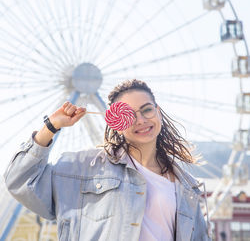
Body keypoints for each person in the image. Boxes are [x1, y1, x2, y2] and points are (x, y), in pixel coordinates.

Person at [4, 79, 212, 241]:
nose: (140, 120)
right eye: (128, 115)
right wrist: (51, 126)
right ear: (116, 123)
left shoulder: (186, 186)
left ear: (157, 112)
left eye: (147, 109)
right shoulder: (85, 169)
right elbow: (20, 180)